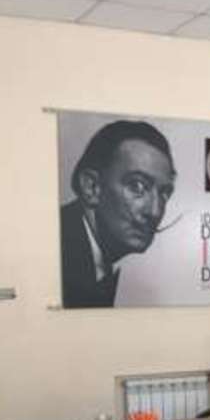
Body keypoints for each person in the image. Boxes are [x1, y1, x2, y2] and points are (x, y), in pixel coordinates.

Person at [60, 120, 175, 308]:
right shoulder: (57, 252)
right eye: (137, 186)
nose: (155, 212)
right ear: (91, 187)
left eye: (164, 193)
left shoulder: (91, 257)